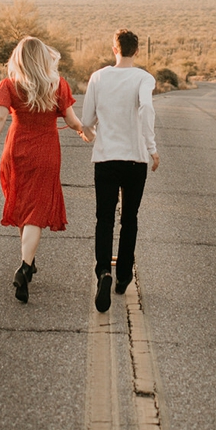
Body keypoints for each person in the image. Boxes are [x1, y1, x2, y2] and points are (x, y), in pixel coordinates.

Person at [0, 36, 92, 302]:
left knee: (24, 205)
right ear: (43, 58)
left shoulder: (9, 85)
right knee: (35, 210)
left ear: (18, 59)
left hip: (16, 151)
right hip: (46, 153)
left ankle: (27, 260)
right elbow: (72, 120)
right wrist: (85, 132)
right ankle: (25, 266)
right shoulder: (57, 85)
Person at [81, 30, 159, 314]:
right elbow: (147, 110)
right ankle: (124, 275)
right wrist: (151, 148)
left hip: (105, 159)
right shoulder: (143, 78)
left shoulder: (98, 77)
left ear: (114, 48)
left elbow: (87, 119)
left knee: (104, 217)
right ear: (136, 51)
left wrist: (88, 133)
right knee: (129, 218)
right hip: (135, 160)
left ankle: (103, 270)